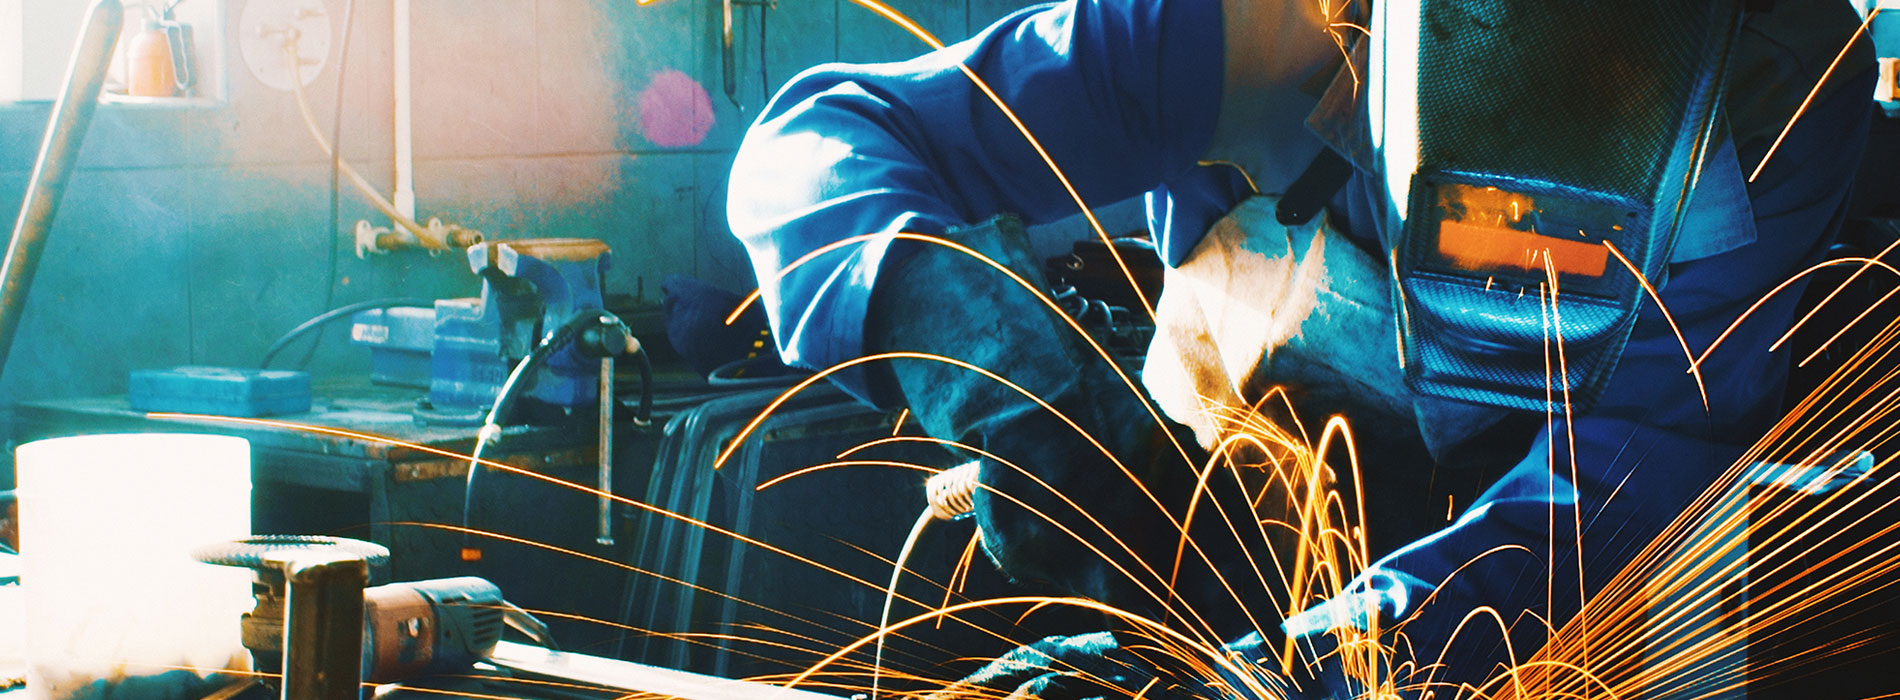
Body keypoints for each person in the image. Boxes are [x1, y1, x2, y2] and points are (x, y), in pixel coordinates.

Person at [726, 0, 1878, 696]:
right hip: (1197, 569)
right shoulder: (1253, 31)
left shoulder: (1758, 114)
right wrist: (958, 329)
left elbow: (1615, 500)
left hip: (1562, 631)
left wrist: (1296, 668)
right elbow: (817, 140)